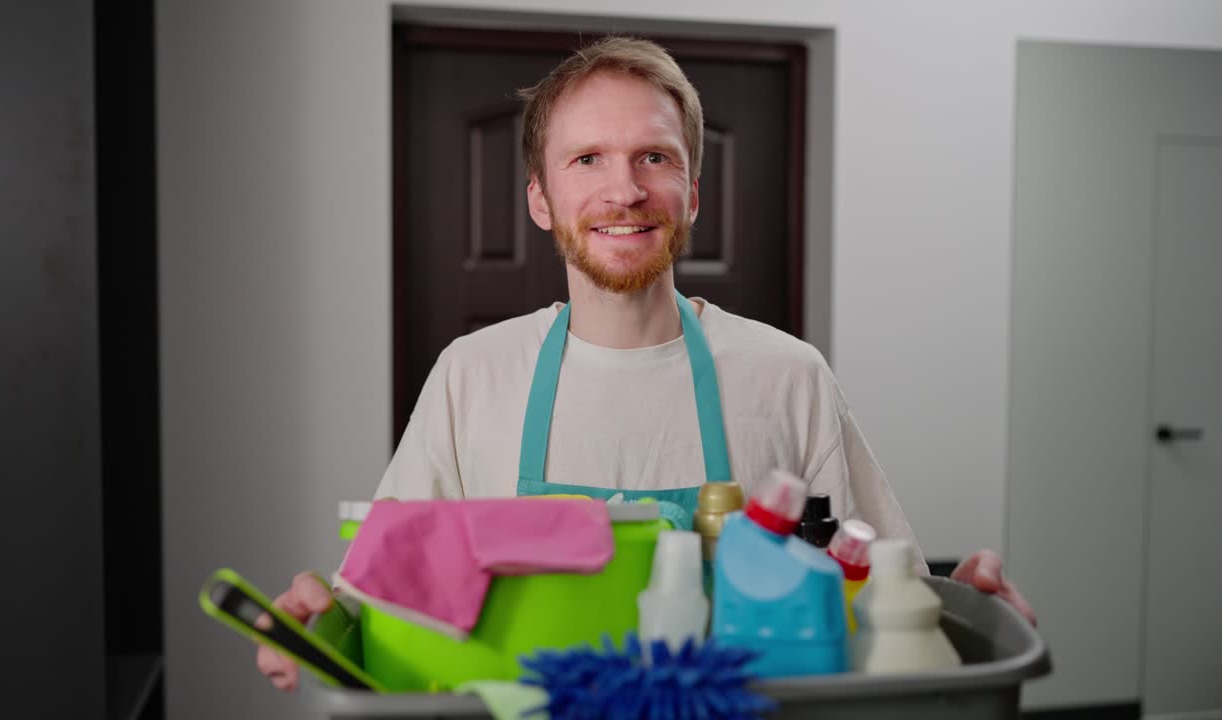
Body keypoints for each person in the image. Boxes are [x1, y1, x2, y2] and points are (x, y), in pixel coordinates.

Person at [257, 36, 1035, 691]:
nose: (624, 190)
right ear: (540, 200)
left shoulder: (787, 375)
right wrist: (319, 614)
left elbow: (883, 599)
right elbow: (376, 600)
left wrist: (959, 606)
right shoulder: (473, 376)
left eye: (653, 157)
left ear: (691, 194)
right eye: (587, 158)